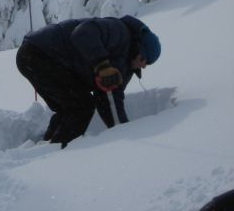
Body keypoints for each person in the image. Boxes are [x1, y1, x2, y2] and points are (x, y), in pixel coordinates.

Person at [16, 15, 161, 148]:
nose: (143, 65)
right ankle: (57, 153)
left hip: (40, 57)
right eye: (143, 59)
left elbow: (109, 100)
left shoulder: (124, 67)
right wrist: (102, 65)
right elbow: (83, 33)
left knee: (70, 107)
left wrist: (122, 130)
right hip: (38, 54)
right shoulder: (119, 31)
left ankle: (46, 148)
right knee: (81, 107)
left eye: (146, 64)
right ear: (137, 47)